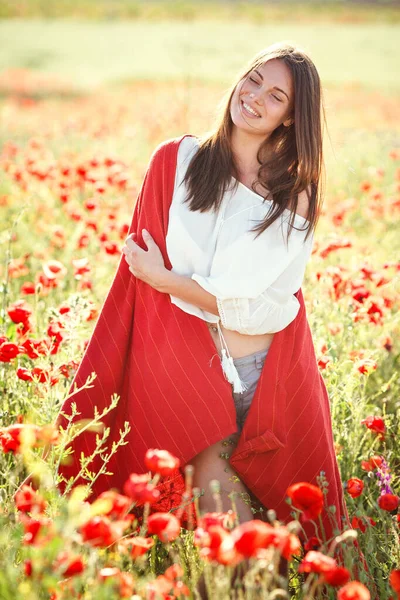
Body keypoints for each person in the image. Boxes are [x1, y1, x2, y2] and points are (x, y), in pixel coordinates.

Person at [52, 41, 377, 596]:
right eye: (253, 80)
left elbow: (245, 299)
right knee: (218, 518)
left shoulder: (291, 194)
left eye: (275, 96)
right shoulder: (175, 162)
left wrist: (168, 281)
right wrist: (163, 290)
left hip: (258, 375)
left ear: (290, 116)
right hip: (190, 370)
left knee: (277, 525)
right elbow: (143, 265)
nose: (254, 98)